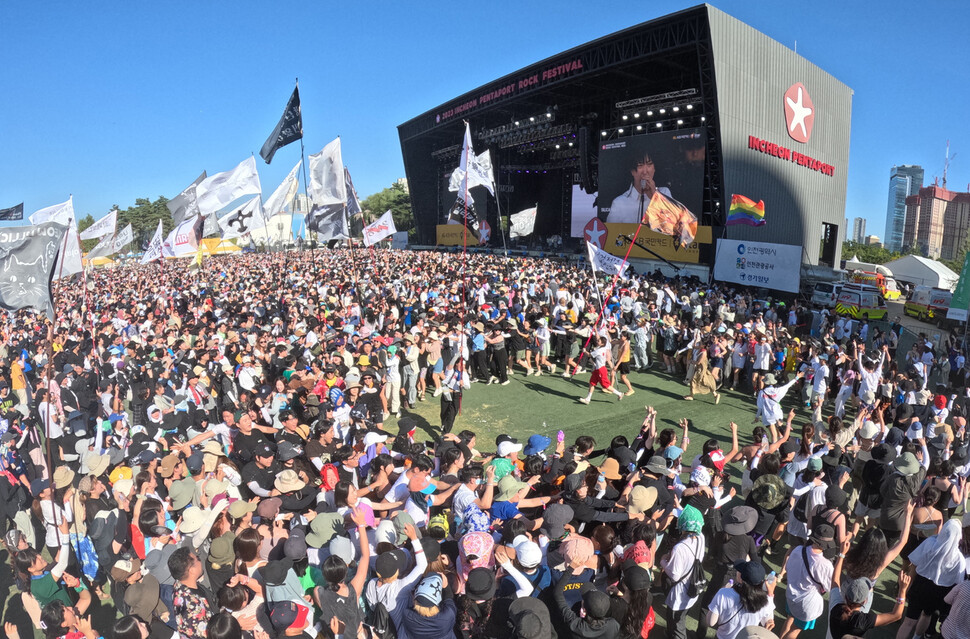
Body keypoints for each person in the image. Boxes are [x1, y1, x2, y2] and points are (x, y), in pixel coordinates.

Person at [607, 151, 673, 223]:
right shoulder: (619, 203)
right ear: (633, 171)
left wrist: (655, 196)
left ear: (654, 169)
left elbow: (673, 223)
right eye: (640, 166)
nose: (645, 171)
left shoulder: (664, 193)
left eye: (649, 165)